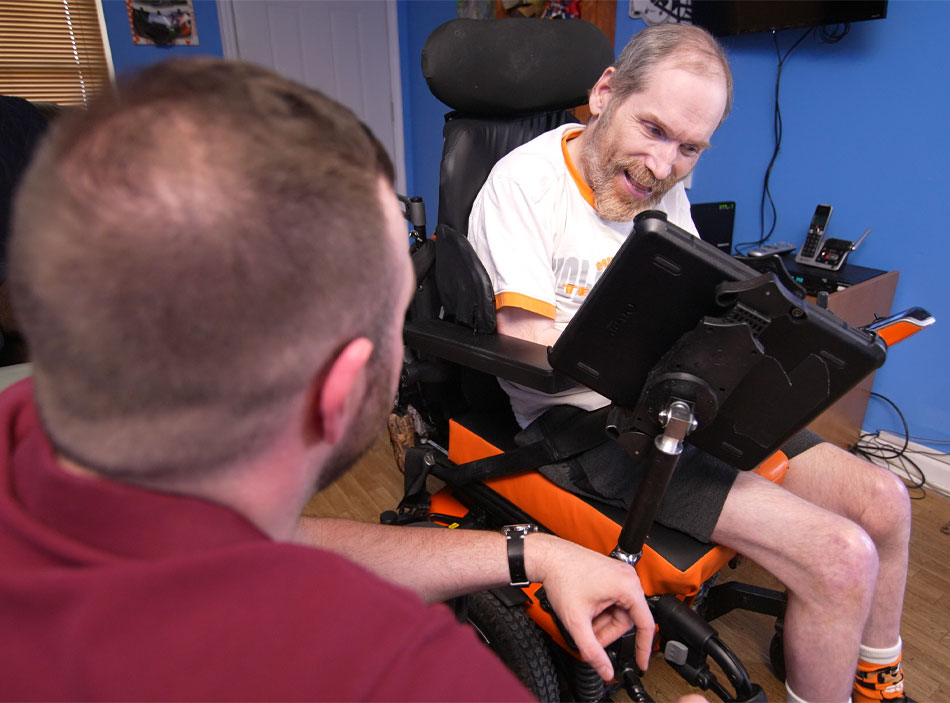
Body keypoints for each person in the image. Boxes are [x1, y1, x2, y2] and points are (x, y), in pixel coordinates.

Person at [0, 58, 657, 700]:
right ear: (338, 389)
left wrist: (533, 553)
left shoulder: (29, 423)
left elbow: (278, 542)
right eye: (396, 313)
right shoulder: (400, 669)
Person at [469, 24, 913, 703]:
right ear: (605, 91)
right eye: (652, 128)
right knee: (841, 555)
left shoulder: (661, 185)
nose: (663, 164)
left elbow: (692, 305)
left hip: (681, 398)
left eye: (689, 148)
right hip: (591, 429)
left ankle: (876, 677)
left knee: (882, 502)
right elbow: (532, 350)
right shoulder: (522, 187)